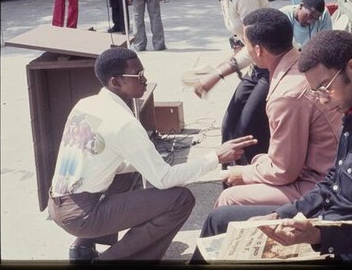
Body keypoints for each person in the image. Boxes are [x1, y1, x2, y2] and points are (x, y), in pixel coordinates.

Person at [191, 29, 352, 263]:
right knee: (220, 220)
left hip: (346, 250)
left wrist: (318, 236)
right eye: (316, 92)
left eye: (324, 88)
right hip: (325, 226)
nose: (323, 101)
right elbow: (330, 184)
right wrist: (280, 215)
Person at [48, 46, 258, 263]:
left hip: (60, 204)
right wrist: (215, 157)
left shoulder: (86, 103)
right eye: (138, 75)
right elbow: (164, 179)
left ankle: (82, 248)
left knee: (134, 170)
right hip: (83, 216)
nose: (144, 80)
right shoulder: (123, 123)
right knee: (180, 199)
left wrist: (150, 163)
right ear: (116, 82)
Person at [215, 8, 340, 207]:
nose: (243, 50)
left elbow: (284, 171)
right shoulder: (300, 63)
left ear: (258, 50)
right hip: (318, 170)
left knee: (228, 199)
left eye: (245, 45)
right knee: (255, 162)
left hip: (323, 185)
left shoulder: (286, 95)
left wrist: (244, 173)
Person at [191, 0, 271, 168]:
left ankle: (256, 179)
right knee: (229, 125)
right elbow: (244, 42)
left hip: (272, 65)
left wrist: (217, 74)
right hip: (257, 66)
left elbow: (256, 47)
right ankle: (229, 180)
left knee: (248, 131)